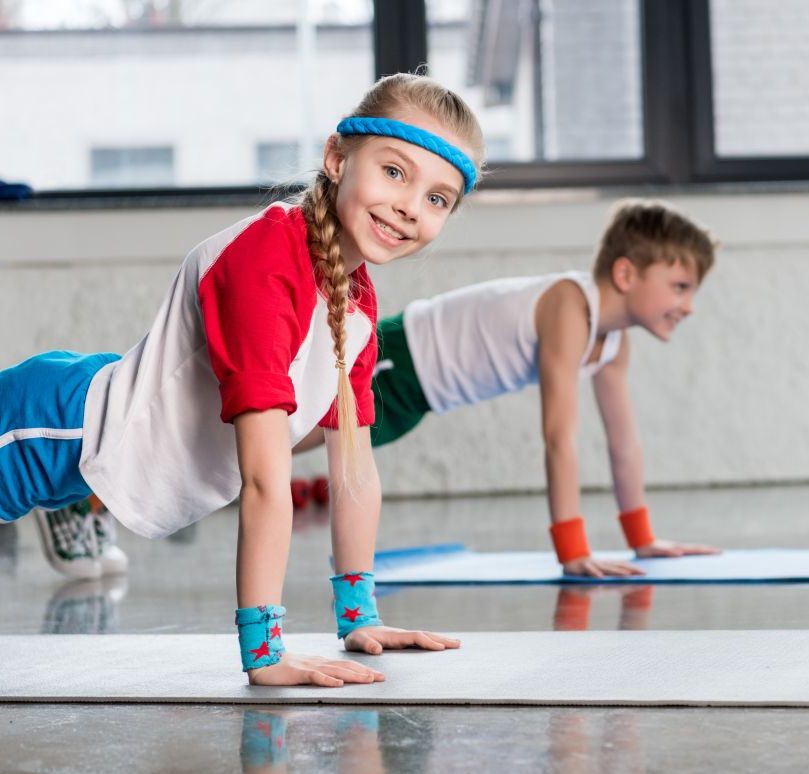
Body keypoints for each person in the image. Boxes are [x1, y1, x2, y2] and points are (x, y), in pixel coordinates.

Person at [0, 72, 485, 684]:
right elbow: (264, 479)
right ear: (338, 157)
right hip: (51, 430)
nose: (411, 206)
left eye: (438, 198)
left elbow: (354, 470)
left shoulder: (356, 306)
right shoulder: (265, 263)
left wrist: (359, 616)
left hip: (96, 435)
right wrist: (265, 652)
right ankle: (70, 503)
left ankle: (71, 506)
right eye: (395, 172)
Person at [370, 200, 720, 577]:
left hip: (420, 395)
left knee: (304, 435)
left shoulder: (614, 341)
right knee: (298, 430)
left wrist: (642, 540)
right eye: (680, 288)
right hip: (396, 359)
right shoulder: (568, 306)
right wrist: (573, 552)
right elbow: (559, 438)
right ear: (626, 274)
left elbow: (624, 444)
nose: (689, 307)